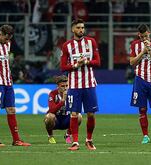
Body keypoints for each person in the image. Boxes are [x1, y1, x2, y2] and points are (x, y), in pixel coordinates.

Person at [60, 19, 100, 151]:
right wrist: (77, 64)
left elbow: (98, 62)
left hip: (89, 84)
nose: (81, 30)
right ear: (73, 29)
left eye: (82, 27)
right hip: (74, 85)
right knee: (74, 114)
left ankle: (89, 140)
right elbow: (62, 66)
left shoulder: (91, 42)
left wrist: (86, 62)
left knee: (91, 114)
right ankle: (75, 142)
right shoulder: (67, 46)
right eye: (78, 28)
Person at [44, 75, 82, 144]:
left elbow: (76, 109)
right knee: (49, 117)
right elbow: (52, 110)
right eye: (62, 86)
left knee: (79, 116)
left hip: (67, 120)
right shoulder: (53, 94)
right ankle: (50, 136)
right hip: (56, 121)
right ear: (57, 86)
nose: (65, 88)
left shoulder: (72, 93)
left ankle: (68, 135)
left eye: (67, 86)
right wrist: (62, 101)